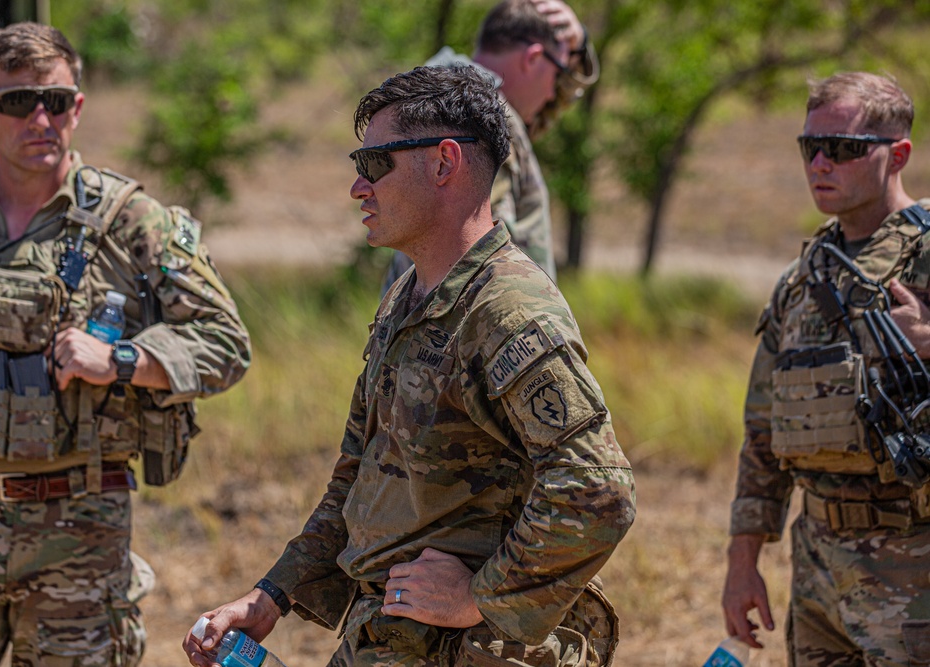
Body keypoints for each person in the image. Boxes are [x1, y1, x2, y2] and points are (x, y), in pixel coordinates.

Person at [184, 65, 635, 667]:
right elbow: (358, 478)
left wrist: (479, 595)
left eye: (375, 164)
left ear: (444, 162)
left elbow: (598, 488)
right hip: (392, 640)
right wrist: (271, 597)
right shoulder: (408, 298)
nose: (357, 187)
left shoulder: (506, 309)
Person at [0, 22, 251, 666]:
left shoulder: (132, 222)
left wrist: (124, 360)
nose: (40, 118)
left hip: (79, 525)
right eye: (19, 101)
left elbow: (226, 342)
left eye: (57, 100)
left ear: (77, 106)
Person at [722, 72, 930, 665]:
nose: (820, 162)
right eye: (808, 147)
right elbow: (763, 435)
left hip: (914, 567)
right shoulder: (803, 278)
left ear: (899, 156)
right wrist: (743, 566)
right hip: (817, 571)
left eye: (841, 149)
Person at [381, 0, 598, 291]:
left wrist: (579, 48)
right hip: (477, 329)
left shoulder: (430, 104)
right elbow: (480, 253)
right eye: (558, 75)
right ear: (533, 58)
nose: (552, 93)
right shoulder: (487, 124)